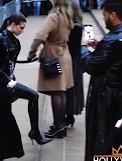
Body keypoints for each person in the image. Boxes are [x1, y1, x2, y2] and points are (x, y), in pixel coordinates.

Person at [72, 0, 122, 161]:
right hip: (120, 97)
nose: (104, 18)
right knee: (115, 143)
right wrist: (100, 47)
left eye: (105, 15)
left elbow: (91, 65)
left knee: (103, 141)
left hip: (106, 100)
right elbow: (110, 59)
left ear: (113, 15)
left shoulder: (114, 39)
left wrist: (84, 46)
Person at [0, 13, 51, 161]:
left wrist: (13, 75)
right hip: (0, 85)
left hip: (7, 83)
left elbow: (9, 62)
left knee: (3, 118)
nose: (22, 31)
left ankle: (1, 153)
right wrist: (6, 79)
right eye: (21, 27)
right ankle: (34, 133)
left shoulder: (13, 41)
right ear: (12, 24)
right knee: (7, 114)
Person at [28, 0, 74, 138]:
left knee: (56, 92)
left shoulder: (54, 16)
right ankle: (60, 124)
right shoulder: (67, 15)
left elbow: (40, 36)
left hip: (54, 55)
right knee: (61, 92)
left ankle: (59, 126)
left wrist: (32, 52)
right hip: (65, 53)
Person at [65, 0, 84, 127]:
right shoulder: (77, 27)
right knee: (71, 89)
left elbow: (73, 48)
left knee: (69, 89)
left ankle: (68, 114)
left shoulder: (74, 27)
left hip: (71, 61)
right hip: (74, 61)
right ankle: (69, 115)